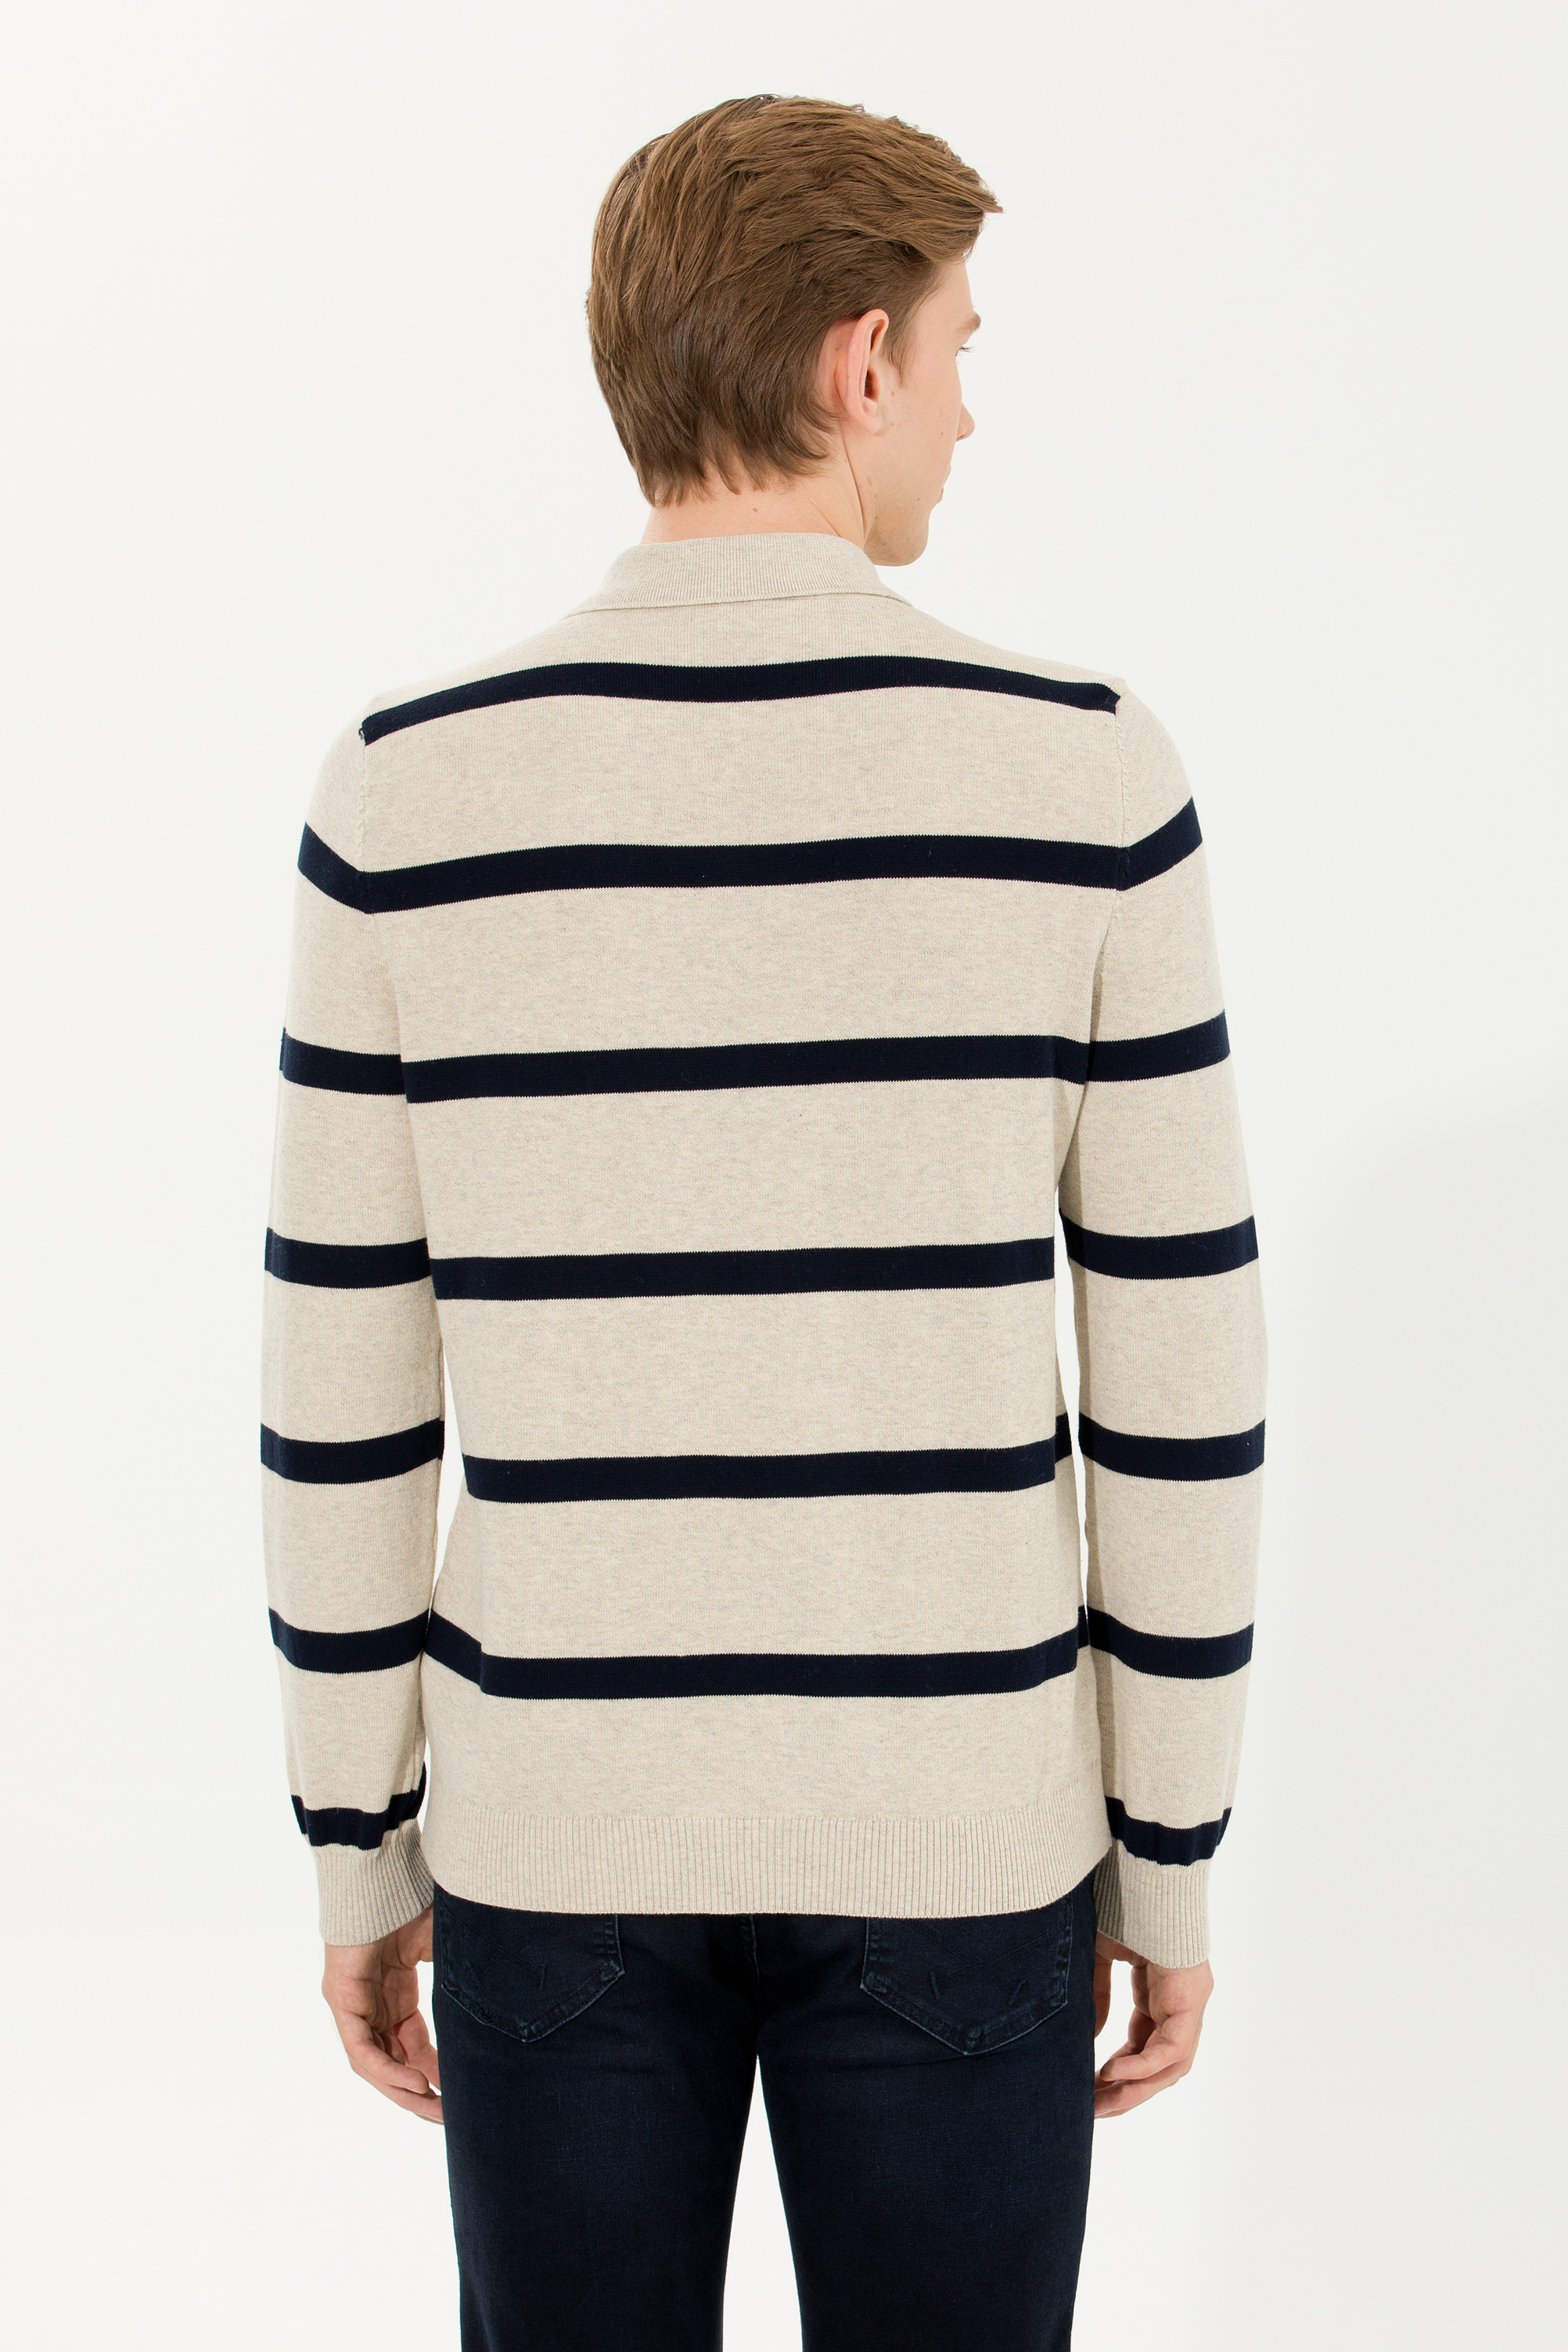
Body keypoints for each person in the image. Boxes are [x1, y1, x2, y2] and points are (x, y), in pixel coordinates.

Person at [261, 92, 1266, 2352]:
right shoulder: (1084, 773)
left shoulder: (408, 796)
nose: (970, 410)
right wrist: (1169, 1850)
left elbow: (339, 1391)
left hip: (556, 1833)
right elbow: (1182, 1384)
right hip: (962, 1832)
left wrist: (356, 1841)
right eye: (961, 347)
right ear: (856, 359)